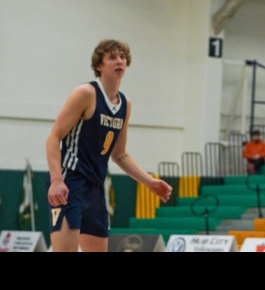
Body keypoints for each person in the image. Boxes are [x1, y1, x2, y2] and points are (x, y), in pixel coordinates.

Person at [45, 39, 172, 252]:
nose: (119, 61)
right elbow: (54, 137)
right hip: (71, 180)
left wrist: (148, 181)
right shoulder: (86, 93)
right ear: (99, 66)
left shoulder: (125, 104)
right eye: (112, 57)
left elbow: (119, 154)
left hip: (95, 185)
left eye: (122, 57)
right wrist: (56, 180)